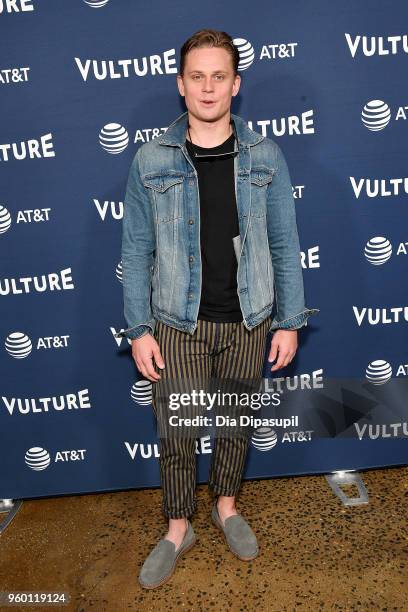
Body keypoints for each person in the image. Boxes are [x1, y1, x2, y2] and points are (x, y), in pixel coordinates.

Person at [115, 28, 319, 589]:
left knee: (232, 424)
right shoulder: (150, 158)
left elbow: (284, 243)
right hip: (176, 323)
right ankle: (179, 526)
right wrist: (138, 329)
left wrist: (288, 322)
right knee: (178, 430)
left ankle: (225, 506)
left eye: (219, 76)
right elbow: (135, 249)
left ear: (237, 84)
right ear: (181, 86)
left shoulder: (266, 155)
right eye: (197, 76)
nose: (209, 87)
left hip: (248, 319)